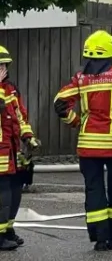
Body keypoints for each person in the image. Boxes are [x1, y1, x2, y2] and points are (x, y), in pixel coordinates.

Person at [54, 30, 112, 251]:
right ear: (109, 52)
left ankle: (100, 239)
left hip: (88, 145)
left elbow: (59, 103)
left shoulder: (80, 78)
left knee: (94, 190)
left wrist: (76, 121)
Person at [0, 45, 40, 249]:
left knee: (15, 190)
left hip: (12, 150)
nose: (2, 69)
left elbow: (19, 116)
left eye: (4, 65)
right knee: (2, 192)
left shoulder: (10, 89)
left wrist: (28, 137)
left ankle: (8, 229)